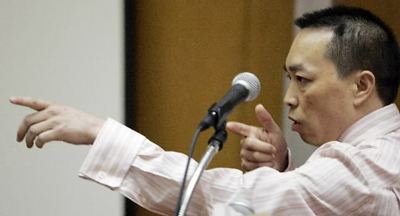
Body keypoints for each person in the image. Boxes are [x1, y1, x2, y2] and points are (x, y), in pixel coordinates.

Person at [10, 5, 400, 215]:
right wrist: (283, 173)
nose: (289, 98)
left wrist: (103, 133)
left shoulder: (370, 165)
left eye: (303, 79)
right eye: (288, 79)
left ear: (361, 85)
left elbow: (233, 199)